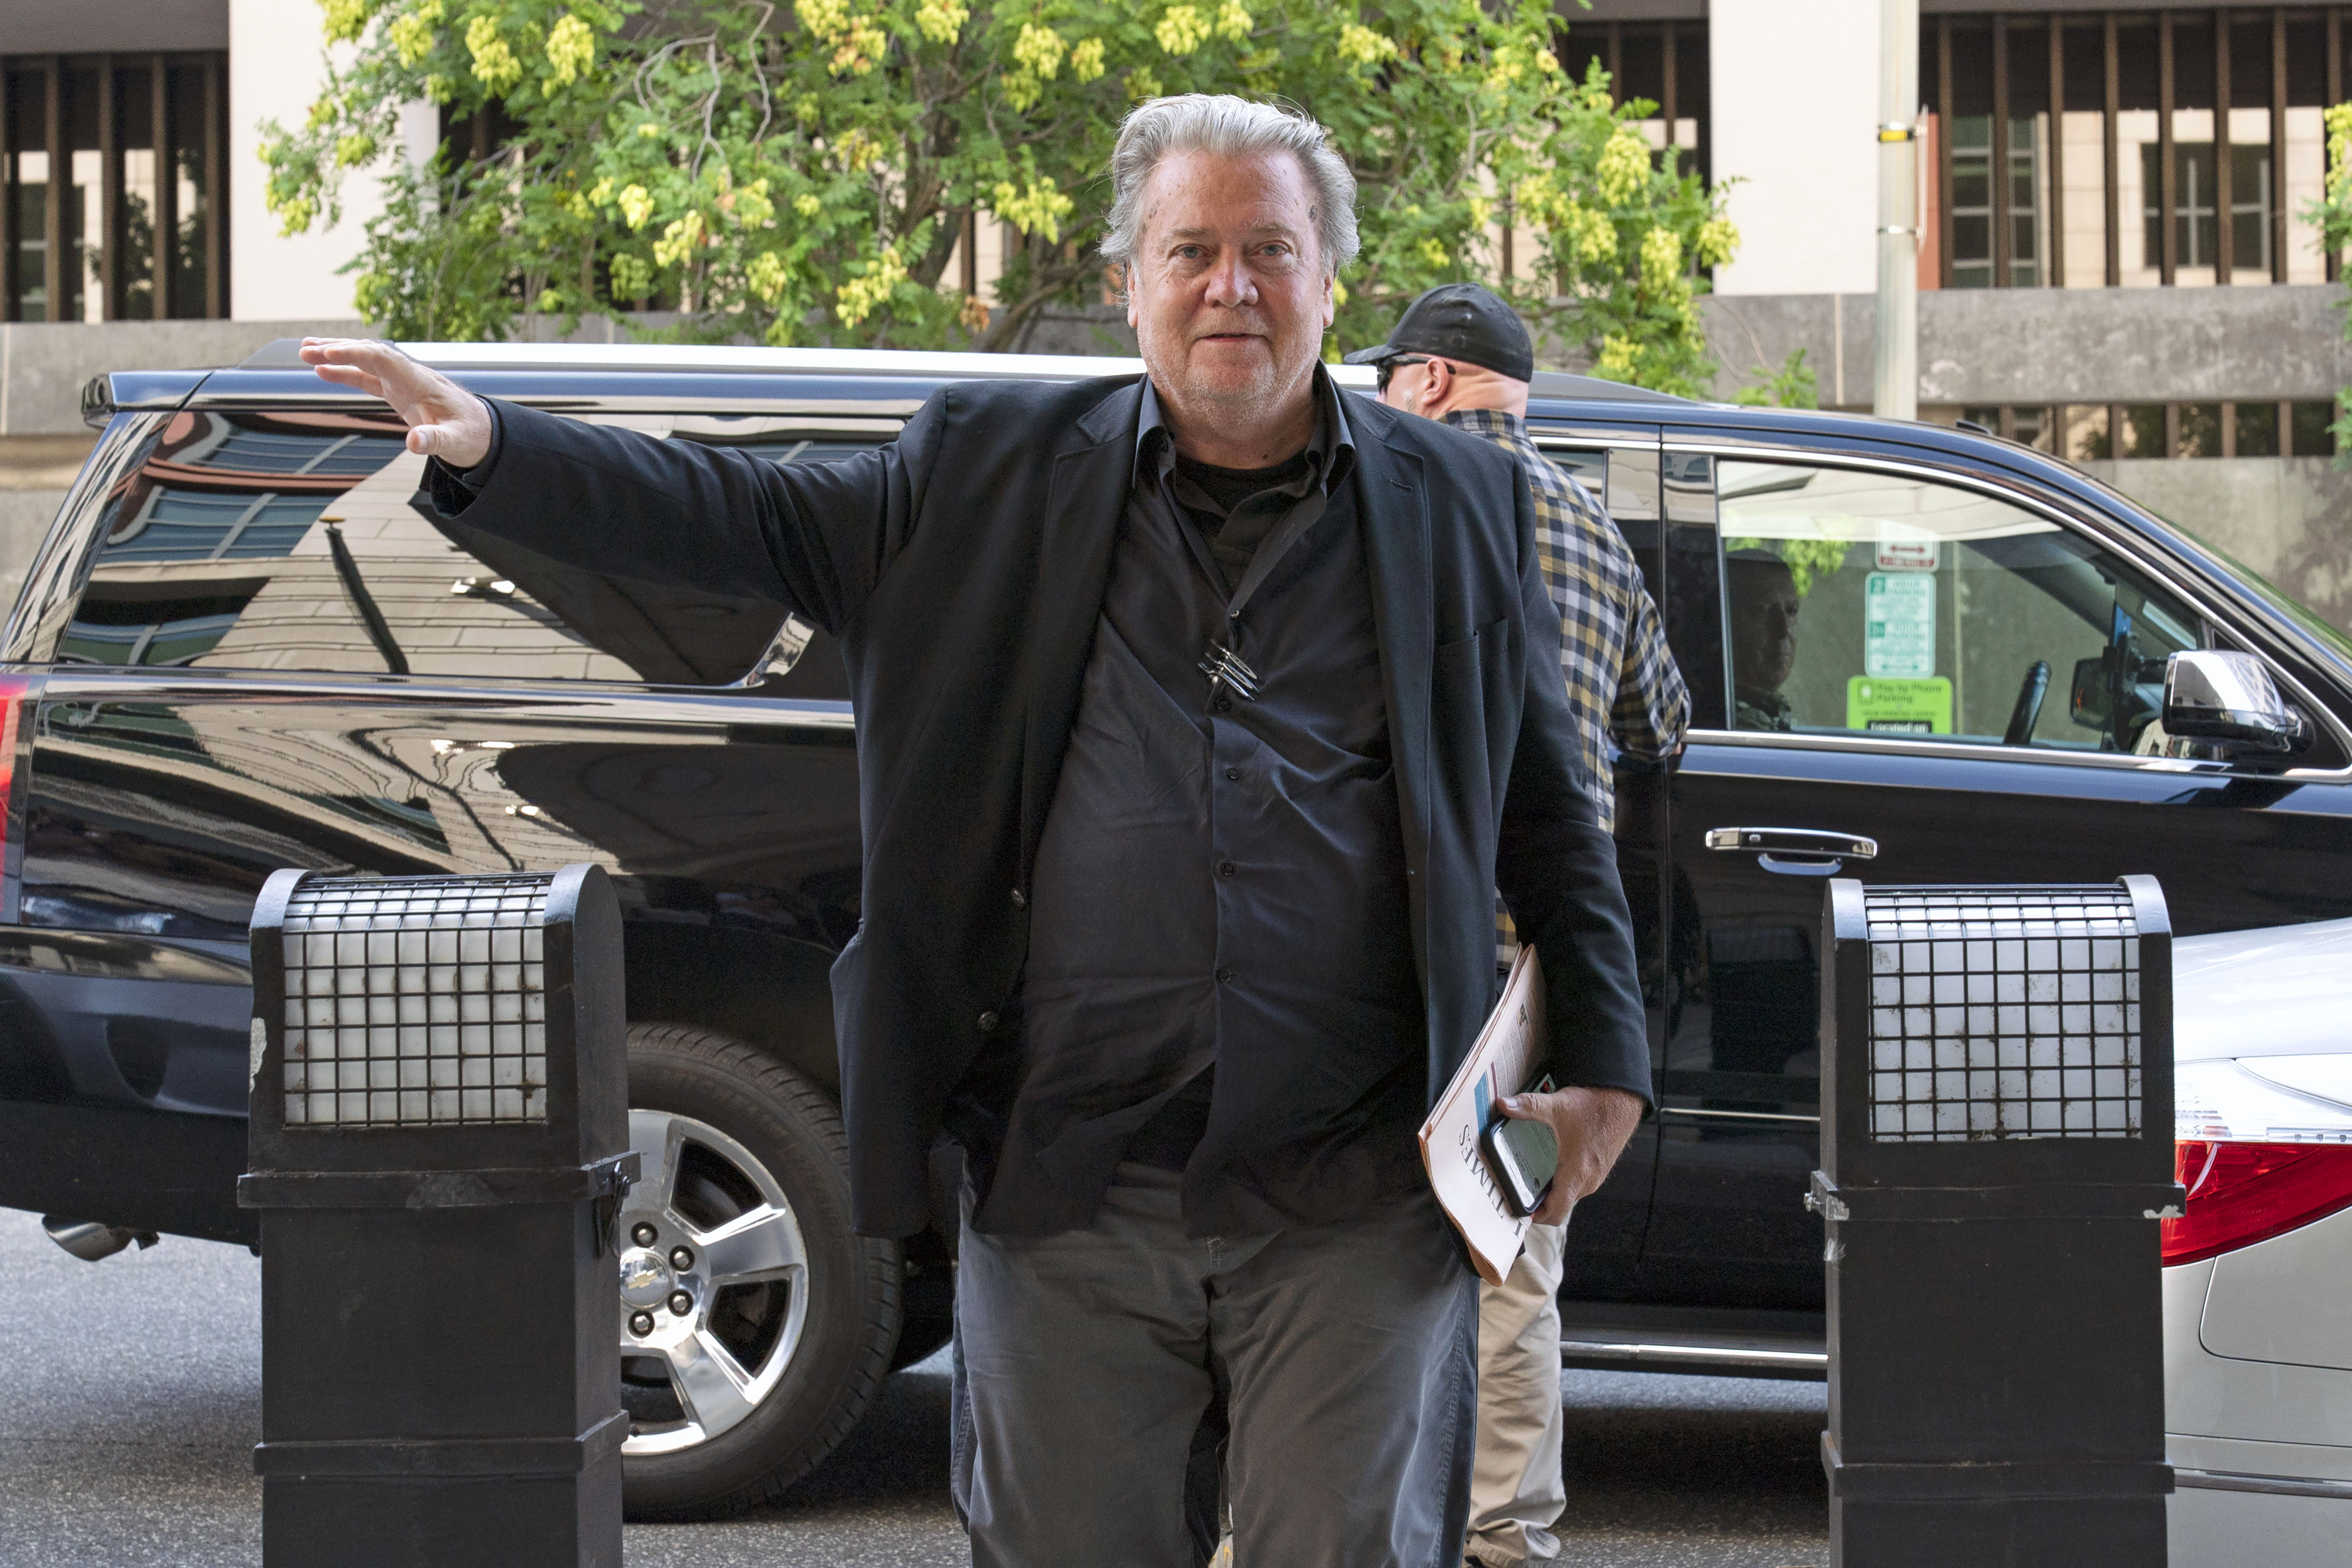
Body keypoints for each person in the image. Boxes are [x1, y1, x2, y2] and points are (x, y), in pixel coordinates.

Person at [300, 94, 1649, 1568]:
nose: (1231, 285)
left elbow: (1543, 810)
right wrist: (496, 444)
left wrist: (1607, 1063)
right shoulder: (993, 470)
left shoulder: (1455, 497)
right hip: (1067, 1180)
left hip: (1359, 1194)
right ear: (1129, 280)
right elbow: (746, 516)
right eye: (1189, 248)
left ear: (1333, 279)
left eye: (1270, 248)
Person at [1353, 283, 1688, 1568]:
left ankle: (1275, 1527)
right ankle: (1503, 1541)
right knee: (1513, 1262)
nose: (1381, 399)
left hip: (1386, 953)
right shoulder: (1595, 531)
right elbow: (1664, 723)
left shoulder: (1373, 504)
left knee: (1318, 1261)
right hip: (1539, 979)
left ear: (1431, 383)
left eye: (1391, 378)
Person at [1727, 548, 1801, 730]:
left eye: (1792, 611)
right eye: (1761, 611)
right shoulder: (1736, 725)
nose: (1783, 630)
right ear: (1726, 620)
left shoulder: (1768, 716)